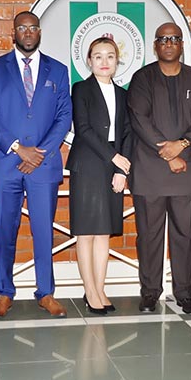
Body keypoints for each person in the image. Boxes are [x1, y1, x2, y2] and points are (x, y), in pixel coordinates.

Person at [0, 11, 72, 318]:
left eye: (33, 28)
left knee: (43, 230)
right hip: (6, 163)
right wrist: (19, 149)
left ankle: (46, 292)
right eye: (22, 28)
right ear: (14, 33)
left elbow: (63, 117)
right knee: (6, 229)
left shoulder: (57, 70)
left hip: (43, 165)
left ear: (39, 32)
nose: (28, 32)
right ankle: (4, 292)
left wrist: (39, 152)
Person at [127, 22, 191, 314]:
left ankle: (184, 293)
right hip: (150, 170)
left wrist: (183, 144)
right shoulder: (142, 78)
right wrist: (168, 151)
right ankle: (150, 292)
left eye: (174, 39)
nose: (168, 43)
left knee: (185, 234)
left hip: (186, 171)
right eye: (163, 39)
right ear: (155, 45)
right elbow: (139, 119)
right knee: (149, 236)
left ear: (181, 44)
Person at [67, 37, 132, 315]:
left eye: (109, 56)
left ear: (117, 61)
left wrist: (121, 169)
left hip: (112, 168)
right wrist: (113, 157)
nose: (104, 62)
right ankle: (89, 290)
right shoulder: (80, 89)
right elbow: (83, 129)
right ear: (89, 61)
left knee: (103, 232)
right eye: (98, 56)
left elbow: (128, 133)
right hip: (88, 165)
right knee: (86, 232)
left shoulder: (124, 94)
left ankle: (100, 288)